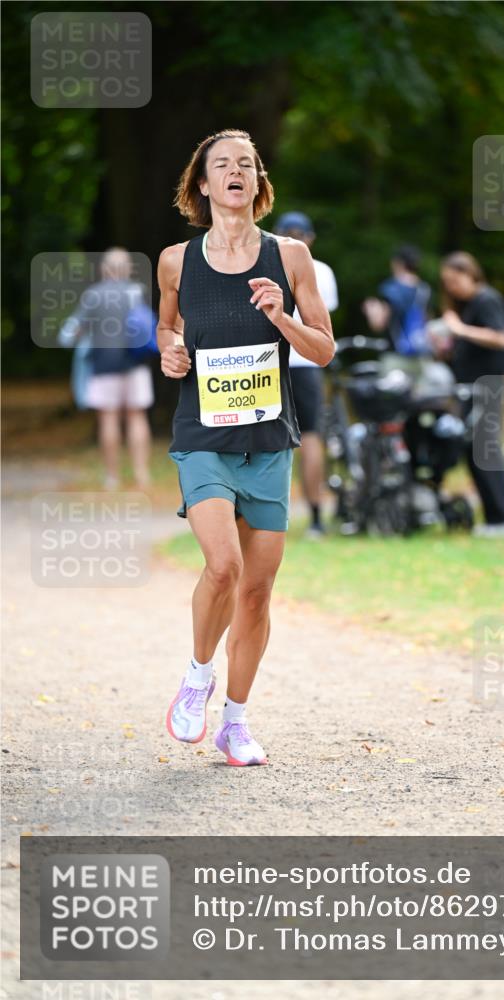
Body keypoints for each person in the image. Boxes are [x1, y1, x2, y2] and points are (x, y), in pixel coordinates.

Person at [158, 129, 334, 766]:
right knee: (224, 567)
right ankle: (198, 674)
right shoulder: (176, 261)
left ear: (258, 182)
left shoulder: (291, 256)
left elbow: (324, 348)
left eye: (247, 165)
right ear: (203, 184)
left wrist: (282, 317)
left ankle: (235, 722)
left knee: (257, 592)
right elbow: (167, 327)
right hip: (203, 437)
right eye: (223, 165)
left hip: (267, 442)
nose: (236, 172)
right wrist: (170, 352)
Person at [431, 251, 504, 538]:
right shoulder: (466, 305)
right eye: (447, 282)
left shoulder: (487, 300)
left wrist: (460, 329)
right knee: (472, 449)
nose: (451, 287)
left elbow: (501, 338)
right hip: (468, 386)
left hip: (486, 386)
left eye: (455, 280)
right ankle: (495, 518)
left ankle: (503, 519)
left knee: (485, 449)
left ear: (471, 274)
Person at [58, 247, 154, 489]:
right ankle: (142, 474)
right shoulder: (137, 291)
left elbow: (69, 333)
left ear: (104, 269)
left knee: (108, 419)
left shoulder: (94, 295)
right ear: (128, 269)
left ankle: (112, 477)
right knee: (137, 416)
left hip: (103, 365)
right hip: (136, 364)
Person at [274, 211, 338, 539]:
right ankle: (315, 517)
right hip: (308, 362)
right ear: (310, 238)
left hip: (271, 360)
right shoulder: (322, 271)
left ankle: (270, 516)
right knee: (311, 437)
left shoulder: (264, 264)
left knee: (271, 440)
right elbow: (324, 318)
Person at [362, 245, 431, 356]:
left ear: (398, 263)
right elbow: (426, 321)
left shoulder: (391, 288)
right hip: (420, 354)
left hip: (396, 355)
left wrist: (371, 310)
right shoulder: (424, 289)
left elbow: (379, 324)